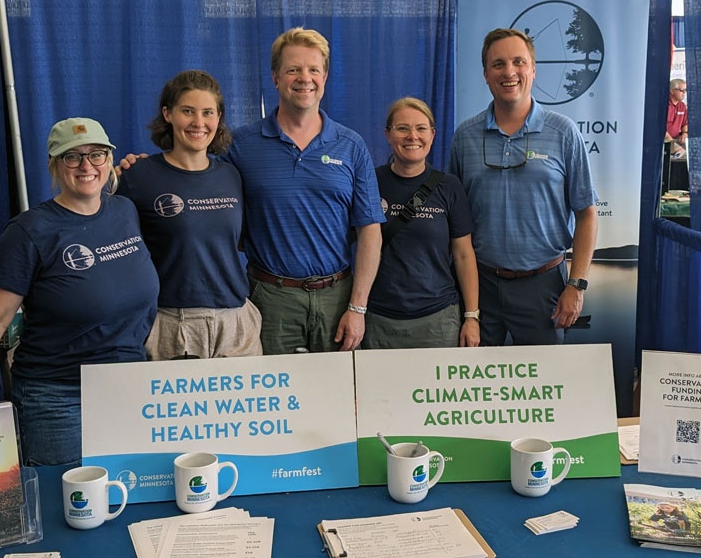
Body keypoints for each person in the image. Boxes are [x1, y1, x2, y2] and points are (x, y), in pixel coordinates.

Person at [0, 117, 159, 466]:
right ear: (55, 165)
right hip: (57, 397)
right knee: (63, 505)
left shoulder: (125, 212)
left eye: (96, 155)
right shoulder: (29, 232)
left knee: (124, 498)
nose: (86, 166)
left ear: (109, 159)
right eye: (72, 157)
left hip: (126, 388)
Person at [225, 27, 385, 354]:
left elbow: (370, 230)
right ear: (275, 77)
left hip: (338, 298)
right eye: (293, 69)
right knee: (275, 401)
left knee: (337, 399)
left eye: (314, 69)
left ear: (325, 77)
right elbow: (198, 181)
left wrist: (357, 308)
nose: (304, 78)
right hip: (270, 299)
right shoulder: (241, 145)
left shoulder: (351, 145)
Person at [448, 27, 598, 346]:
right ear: (486, 74)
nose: (509, 72)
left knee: (542, 389)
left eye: (519, 62)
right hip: (479, 288)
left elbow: (587, 213)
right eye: (498, 64)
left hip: (544, 287)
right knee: (476, 390)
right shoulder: (465, 137)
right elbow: (454, 220)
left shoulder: (564, 132)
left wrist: (577, 284)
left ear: (533, 69)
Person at [117, 71, 262, 359]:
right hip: (171, 323)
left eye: (208, 112)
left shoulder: (231, 175)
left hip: (235, 323)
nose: (198, 123)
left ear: (219, 118)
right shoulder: (139, 176)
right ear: (167, 114)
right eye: (187, 111)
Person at [363, 97, 480, 349]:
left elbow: (463, 255)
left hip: (438, 320)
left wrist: (471, 316)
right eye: (402, 128)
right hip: (379, 318)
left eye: (421, 128)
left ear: (433, 134)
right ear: (388, 134)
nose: (412, 136)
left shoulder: (449, 187)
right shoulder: (370, 183)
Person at [663, 78, 688, 193]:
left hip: (677, 140)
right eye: (682, 90)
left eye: (685, 91)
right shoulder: (663, 104)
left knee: (687, 154)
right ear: (672, 91)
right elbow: (659, 125)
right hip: (665, 141)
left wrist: (684, 133)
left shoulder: (682, 106)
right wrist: (670, 140)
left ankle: (683, 187)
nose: (684, 93)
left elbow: (685, 123)